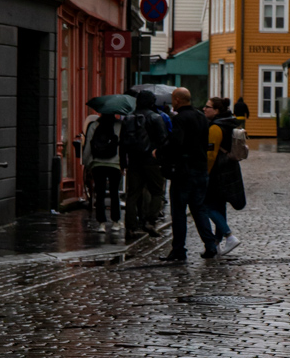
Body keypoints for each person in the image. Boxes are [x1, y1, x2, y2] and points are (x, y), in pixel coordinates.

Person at [157, 87, 217, 262]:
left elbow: (176, 143)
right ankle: (211, 245)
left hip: (184, 172)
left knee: (179, 212)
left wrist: (160, 153)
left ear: (177, 100)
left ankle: (179, 250)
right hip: (200, 169)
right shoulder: (201, 117)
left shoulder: (180, 119)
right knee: (199, 209)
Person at [120, 91, 168, 240]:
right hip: (152, 160)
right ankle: (149, 220)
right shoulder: (155, 117)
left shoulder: (128, 118)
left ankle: (130, 227)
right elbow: (163, 140)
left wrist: (123, 162)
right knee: (157, 191)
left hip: (134, 161)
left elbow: (122, 143)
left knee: (132, 194)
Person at [203, 97, 240, 255]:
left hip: (217, 171)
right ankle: (217, 244)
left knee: (205, 206)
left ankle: (229, 236)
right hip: (227, 169)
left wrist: (205, 174)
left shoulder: (215, 128)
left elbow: (210, 155)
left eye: (207, 107)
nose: (204, 109)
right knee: (219, 206)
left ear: (216, 110)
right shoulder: (227, 123)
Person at [83, 112, 123, 233]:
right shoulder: (120, 125)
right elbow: (122, 145)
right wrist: (123, 164)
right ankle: (116, 222)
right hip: (115, 164)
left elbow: (88, 145)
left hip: (98, 164)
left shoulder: (94, 125)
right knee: (114, 193)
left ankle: (101, 224)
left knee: (99, 193)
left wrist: (87, 163)